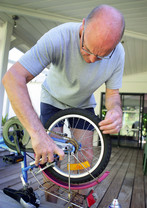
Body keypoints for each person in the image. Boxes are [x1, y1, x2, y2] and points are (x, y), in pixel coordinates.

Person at [2, 5, 125, 168]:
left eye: (102, 55)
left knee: (86, 155)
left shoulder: (119, 54)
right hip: (52, 98)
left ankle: (78, 193)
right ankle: (51, 193)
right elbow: (12, 77)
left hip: (83, 102)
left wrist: (115, 110)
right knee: (49, 157)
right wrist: (38, 135)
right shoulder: (58, 36)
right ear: (83, 26)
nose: (92, 60)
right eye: (87, 49)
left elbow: (112, 94)